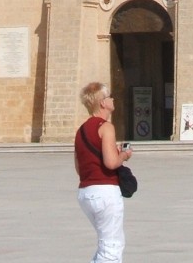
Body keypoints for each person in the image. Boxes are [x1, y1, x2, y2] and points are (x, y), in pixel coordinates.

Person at [75, 82, 131, 263]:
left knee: (107, 244)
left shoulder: (81, 131)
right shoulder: (106, 127)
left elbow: (79, 166)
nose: (112, 99)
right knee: (111, 248)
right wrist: (123, 155)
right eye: (109, 97)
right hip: (105, 193)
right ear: (102, 103)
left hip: (86, 193)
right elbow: (111, 162)